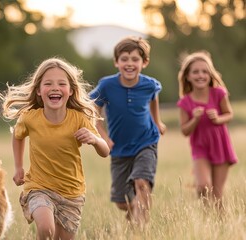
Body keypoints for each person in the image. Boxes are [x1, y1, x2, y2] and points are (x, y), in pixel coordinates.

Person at [0, 57, 109, 240]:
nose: (55, 88)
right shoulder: (30, 118)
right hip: (39, 187)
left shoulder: (79, 118)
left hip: (72, 192)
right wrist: (18, 167)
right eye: (48, 83)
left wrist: (95, 140)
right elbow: (17, 136)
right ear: (39, 91)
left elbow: (105, 152)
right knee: (46, 229)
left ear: (71, 91)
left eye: (61, 84)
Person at [89, 36, 166, 226]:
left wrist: (158, 122)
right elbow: (93, 111)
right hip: (119, 147)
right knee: (122, 202)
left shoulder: (150, 84)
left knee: (142, 183)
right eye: (124, 59)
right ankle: (134, 212)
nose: (129, 64)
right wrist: (103, 136)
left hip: (146, 141)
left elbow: (154, 99)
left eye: (135, 59)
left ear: (144, 62)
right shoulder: (107, 85)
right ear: (116, 62)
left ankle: (141, 230)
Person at [176, 51, 237, 209]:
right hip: (200, 147)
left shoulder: (218, 94)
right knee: (203, 186)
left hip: (220, 146)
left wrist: (218, 119)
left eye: (204, 71)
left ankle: (219, 225)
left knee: (217, 194)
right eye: (195, 72)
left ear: (210, 75)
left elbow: (229, 114)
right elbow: (184, 131)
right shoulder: (185, 103)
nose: (200, 75)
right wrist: (195, 119)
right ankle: (206, 211)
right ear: (188, 76)